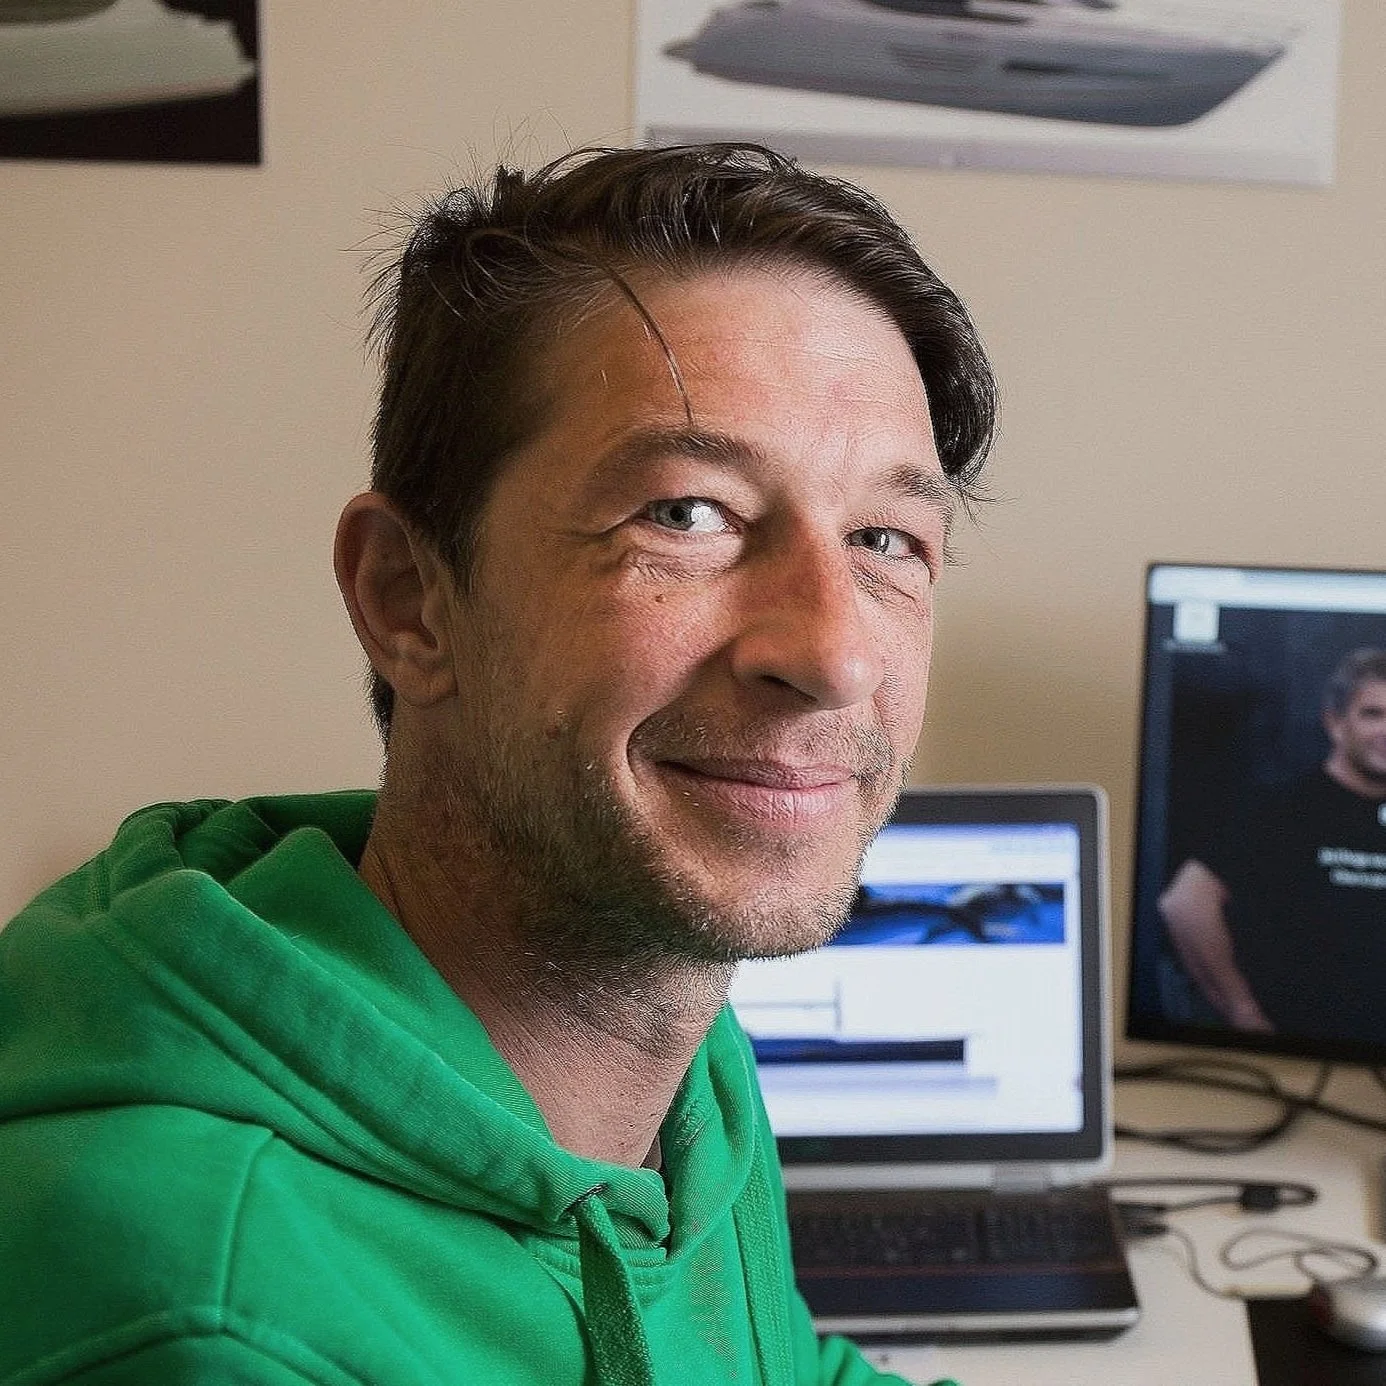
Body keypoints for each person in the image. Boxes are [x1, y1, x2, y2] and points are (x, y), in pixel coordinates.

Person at [0, 143, 996, 1385]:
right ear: (408, 598)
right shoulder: (208, 1312)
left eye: (886, 538)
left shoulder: (675, 1031)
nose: (836, 653)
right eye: (686, 515)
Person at [1159, 647, 1386, 1045]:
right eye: (1373, 714)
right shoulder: (1280, 811)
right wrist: (1242, 1013)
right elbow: (1184, 903)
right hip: (1292, 1058)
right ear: (1335, 724)